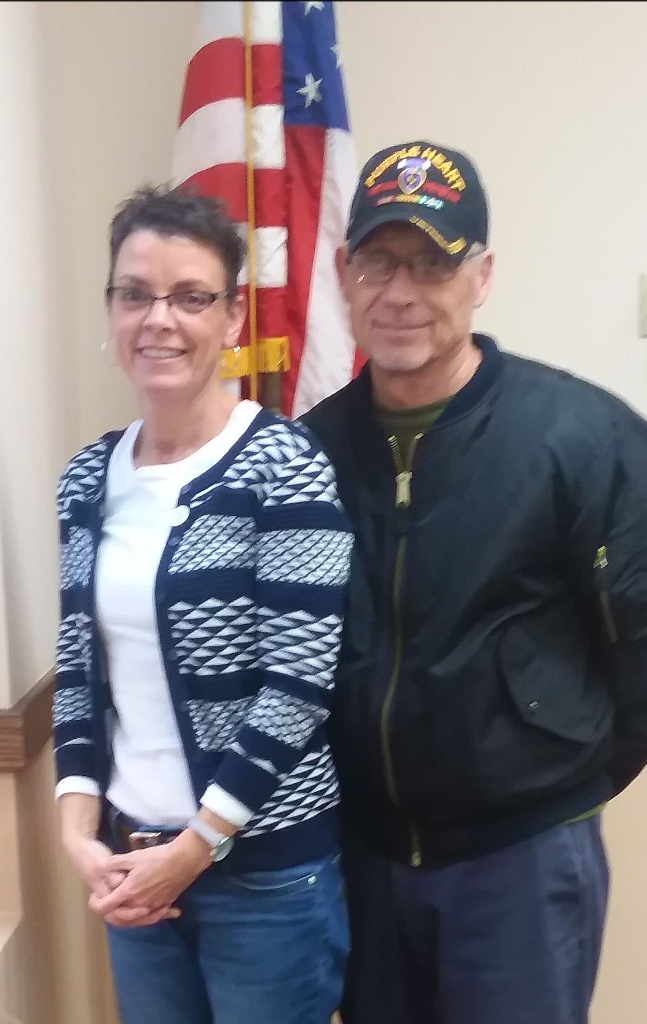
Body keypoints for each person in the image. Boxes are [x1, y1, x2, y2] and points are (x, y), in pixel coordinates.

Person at [302, 139, 647, 1024]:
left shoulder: (579, 435)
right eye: (378, 262)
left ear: (481, 275)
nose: (400, 292)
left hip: (520, 860)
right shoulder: (307, 454)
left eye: (432, 263)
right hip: (363, 858)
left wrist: (558, 779)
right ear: (342, 274)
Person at [53, 185, 353, 1024]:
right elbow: (77, 671)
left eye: (190, 297)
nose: (160, 319)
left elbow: (297, 686)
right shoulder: (86, 478)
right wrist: (78, 835)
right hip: (132, 866)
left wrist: (193, 848)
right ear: (111, 310)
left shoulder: (284, 465)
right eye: (135, 294)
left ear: (231, 318)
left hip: (264, 878)